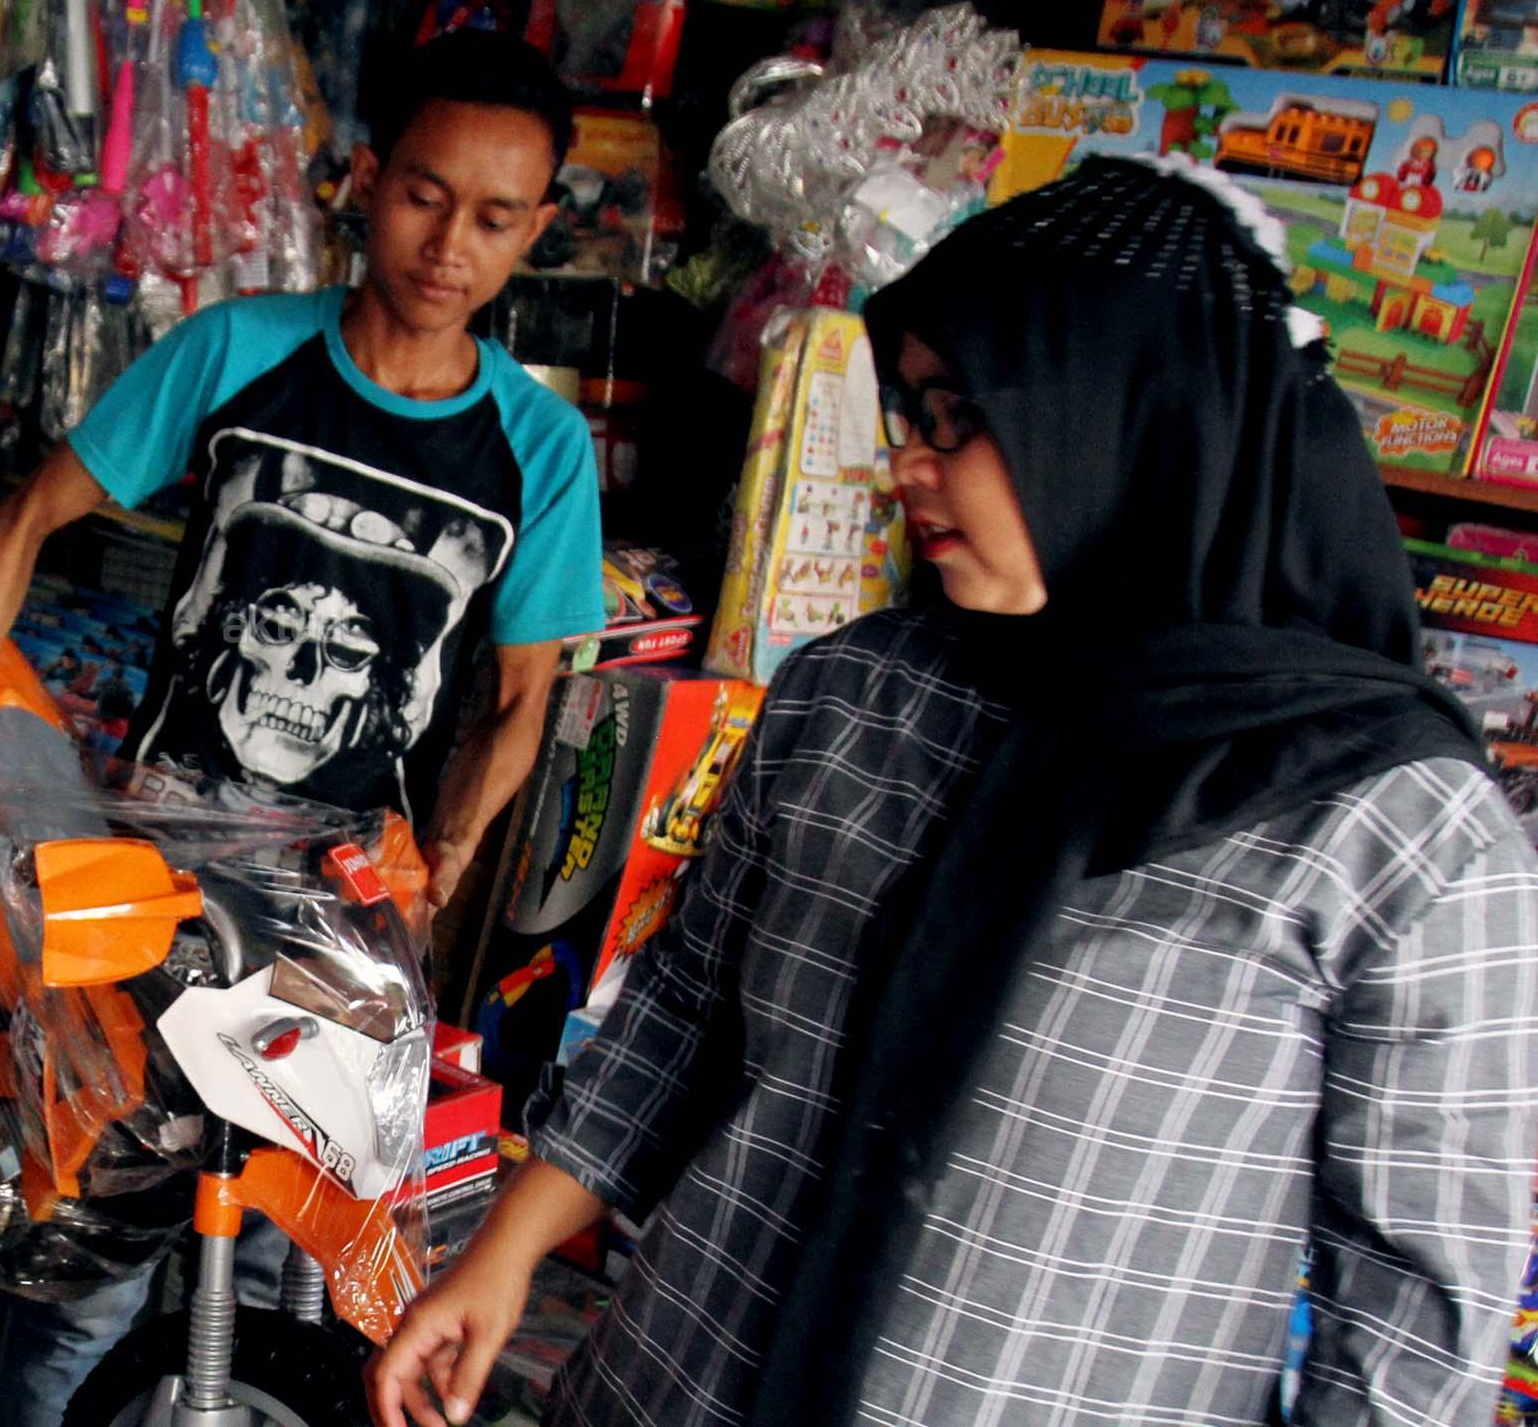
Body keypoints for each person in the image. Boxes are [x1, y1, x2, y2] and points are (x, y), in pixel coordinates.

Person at [371, 157, 1538, 1427]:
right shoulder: (858, 694)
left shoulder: (1388, 826)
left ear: (1123, 416)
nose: (909, 467)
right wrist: (503, 1252)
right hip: (671, 1382)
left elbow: (1416, 1318)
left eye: (955, 419)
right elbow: (684, 1012)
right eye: (907, 415)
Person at [0, 28, 605, 1427]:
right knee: (86, 1265)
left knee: (290, 1284)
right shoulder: (239, 351)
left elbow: (524, 704)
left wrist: (442, 867)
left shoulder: (537, 447)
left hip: (346, 915)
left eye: (494, 216)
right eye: (424, 194)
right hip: (151, 895)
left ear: (535, 230)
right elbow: (26, 520)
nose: (449, 244)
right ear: (366, 179)